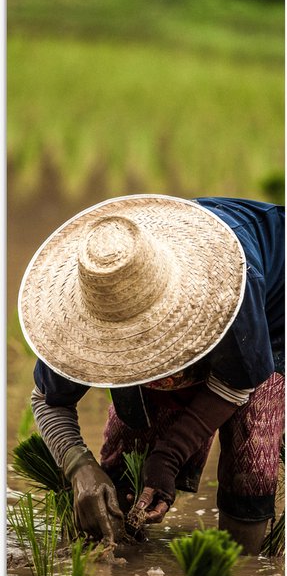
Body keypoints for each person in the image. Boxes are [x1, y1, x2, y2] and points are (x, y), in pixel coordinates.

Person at [18, 195, 285, 555]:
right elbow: (46, 400)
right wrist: (79, 468)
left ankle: (240, 568)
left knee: (251, 448)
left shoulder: (230, 288)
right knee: (129, 460)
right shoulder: (77, 315)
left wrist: (171, 455)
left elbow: (239, 381)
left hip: (270, 306)